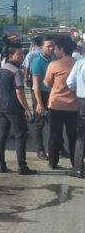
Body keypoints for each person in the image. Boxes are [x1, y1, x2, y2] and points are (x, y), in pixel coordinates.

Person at [0, 44, 36, 174]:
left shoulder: (1, 69)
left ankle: (1, 165)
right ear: (10, 56)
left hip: (1, 107)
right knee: (20, 136)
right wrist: (27, 109)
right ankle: (22, 167)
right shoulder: (16, 71)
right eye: (19, 54)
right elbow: (20, 92)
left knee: (2, 136)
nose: (21, 56)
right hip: (14, 108)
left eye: (22, 54)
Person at [44, 34, 78, 169]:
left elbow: (47, 83)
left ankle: (53, 162)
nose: (54, 50)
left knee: (54, 135)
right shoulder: (78, 64)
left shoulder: (54, 65)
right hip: (74, 107)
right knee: (73, 136)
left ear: (62, 49)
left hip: (56, 105)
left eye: (56, 48)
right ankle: (76, 163)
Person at [30, 35, 56, 159]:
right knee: (39, 122)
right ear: (41, 47)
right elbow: (35, 84)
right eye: (48, 46)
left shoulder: (55, 59)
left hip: (53, 94)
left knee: (54, 123)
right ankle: (40, 150)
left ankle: (57, 148)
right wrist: (39, 103)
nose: (51, 48)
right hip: (40, 93)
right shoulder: (37, 61)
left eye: (53, 46)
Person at [67, 49, 85, 177]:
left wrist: (77, 88)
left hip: (82, 101)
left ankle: (78, 169)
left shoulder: (79, 63)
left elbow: (70, 82)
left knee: (81, 136)